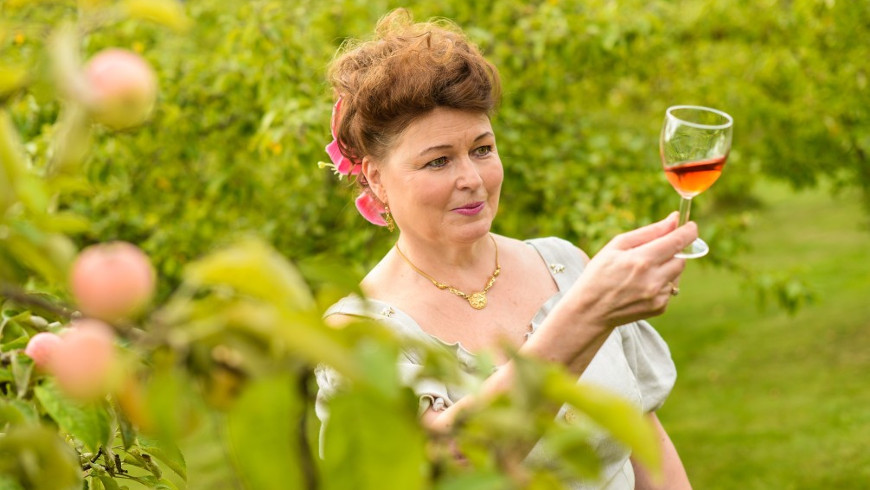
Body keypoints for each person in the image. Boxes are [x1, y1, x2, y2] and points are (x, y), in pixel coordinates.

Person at [316, 9, 695, 490]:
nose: (472, 180)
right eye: (437, 161)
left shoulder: (564, 263)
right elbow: (449, 465)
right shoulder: (358, 332)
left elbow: (646, 441)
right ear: (374, 177)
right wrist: (588, 314)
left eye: (481, 149)